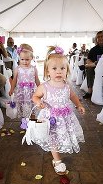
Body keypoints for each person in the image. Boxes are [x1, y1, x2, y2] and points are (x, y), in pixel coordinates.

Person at [30, 46, 86, 175]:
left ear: (67, 70)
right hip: (51, 118)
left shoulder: (67, 85)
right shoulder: (44, 86)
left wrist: (78, 105)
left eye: (62, 68)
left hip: (65, 117)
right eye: (54, 68)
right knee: (53, 137)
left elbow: (72, 96)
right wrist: (38, 102)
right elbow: (35, 96)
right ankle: (57, 160)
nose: (59, 72)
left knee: (62, 135)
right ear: (47, 71)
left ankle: (58, 154)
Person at [7, 49, 39, 119]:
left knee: (31, 105)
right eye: (22, 59)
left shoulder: (34, 69)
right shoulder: (17, 69)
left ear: (31, 58)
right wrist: (11, 89)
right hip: (20, 91)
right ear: (19, 58)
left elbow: (37, 80)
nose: (24, 61)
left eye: (27, 59)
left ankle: (32, 120)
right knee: (21, 106)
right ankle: (24, 121)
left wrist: (40, 89)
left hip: (31, 91)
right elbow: (14, 80)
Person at [84, 31, 103, 98]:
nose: (100, 38)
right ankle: (90, 90)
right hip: (96, 67)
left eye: (102, 36)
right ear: (96, 38)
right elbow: (88, 59)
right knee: (89, 69)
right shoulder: (93, 49)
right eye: (98, 37)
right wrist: (91, 63)